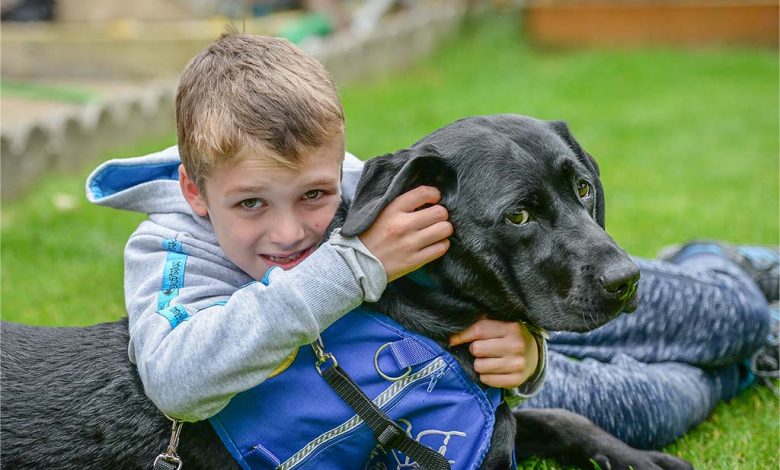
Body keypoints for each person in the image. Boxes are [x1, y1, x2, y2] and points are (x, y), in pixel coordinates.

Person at [86, 32, 544, 424]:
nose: (288, 234)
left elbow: (467, 294)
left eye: (313, 196)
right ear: (194, 191)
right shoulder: (169, 250)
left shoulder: (355, 191)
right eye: (250, 203)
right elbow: (176, 385)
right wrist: (352, 268)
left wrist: (528, 356)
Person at [516, 241, 779, 450]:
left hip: (502, 297)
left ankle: (721, 260)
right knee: (642, 410)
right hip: (479, 388)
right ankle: (746, 361)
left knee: (736, 315)